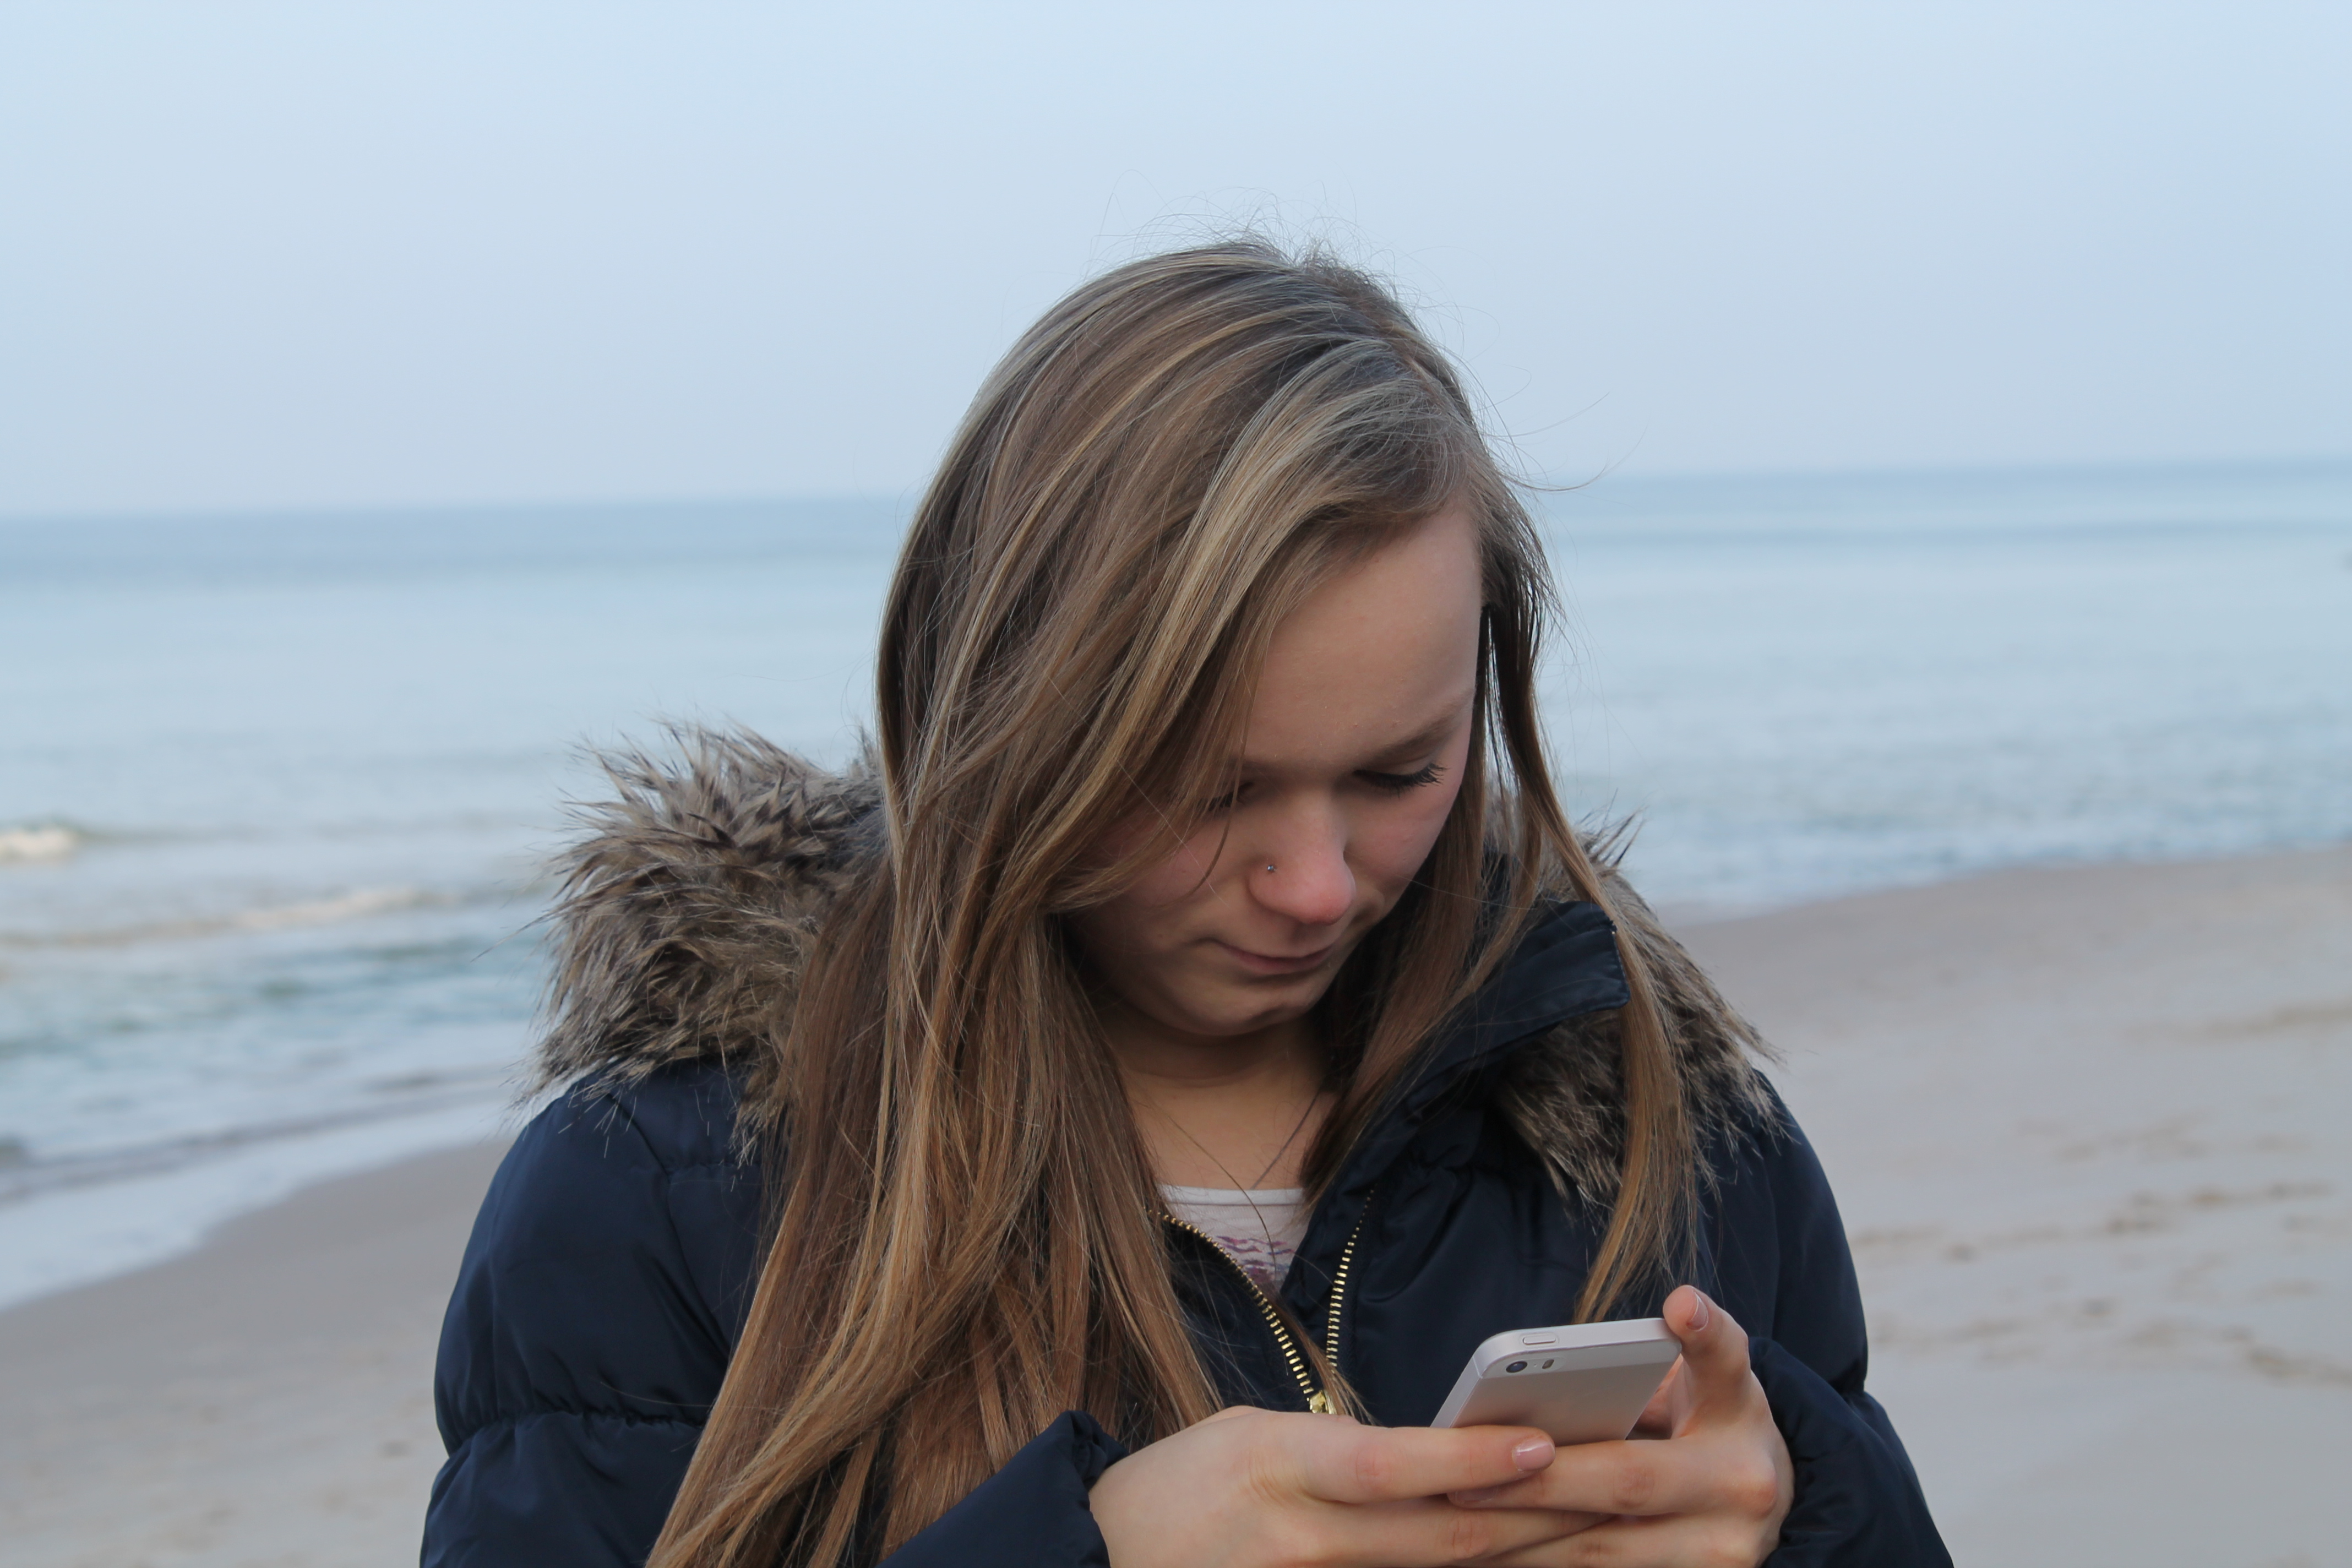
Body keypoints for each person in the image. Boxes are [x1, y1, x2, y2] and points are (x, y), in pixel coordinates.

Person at [423, 241, 1948, 1567]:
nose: (1315, 887)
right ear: (1005, 719)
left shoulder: (1661, 1120)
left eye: (1399, 773)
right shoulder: (662, 1193)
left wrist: (1808, 1513)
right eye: (1211, 791)